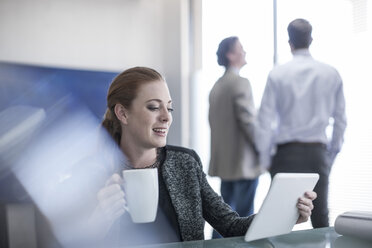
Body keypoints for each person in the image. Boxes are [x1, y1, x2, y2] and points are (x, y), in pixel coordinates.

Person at [91, 66, 316, 246]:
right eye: (153, 107)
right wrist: (97, 224)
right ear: (122, 113)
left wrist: (283, 216)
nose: (166, 118)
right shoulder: (93, 173)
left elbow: (230, 225)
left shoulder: (185, 163)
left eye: (169, 108)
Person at [256, 19, 347, 228]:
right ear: (311, 40)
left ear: (290, 43)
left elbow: (264, 120)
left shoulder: (277, 73)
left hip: (286, 155)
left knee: (279, 221)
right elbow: (341, 120)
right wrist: (330, 155)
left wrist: (265, 158)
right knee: (321, 218)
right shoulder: (331, 73)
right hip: (318, 153)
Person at [208, 37, 262, 238]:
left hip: (225, 165)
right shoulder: (240, 83)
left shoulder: (216, 86)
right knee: (243, 223)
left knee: (221, 220)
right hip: (243, 165)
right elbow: (249, 123)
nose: (244, 51)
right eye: (241, 48)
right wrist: (264, 150)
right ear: (231, 55)